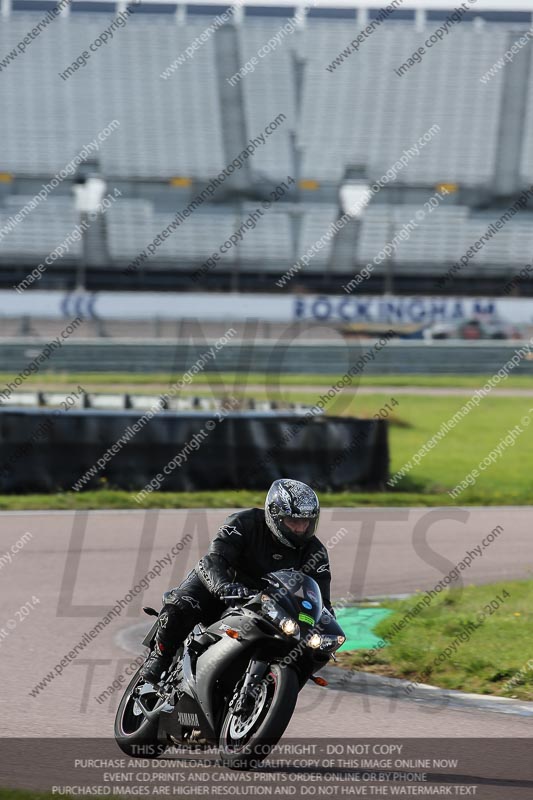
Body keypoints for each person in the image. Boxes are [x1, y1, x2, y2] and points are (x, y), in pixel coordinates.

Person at [141, 478, 335, 683]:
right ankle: (160, 657)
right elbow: (215, 559)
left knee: (306, 648)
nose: (299, 529)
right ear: (275, 516)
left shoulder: (315, 552)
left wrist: (326, 625)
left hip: (265, 606)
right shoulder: (243, 523)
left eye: (305, 522)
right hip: (221, 588)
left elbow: (321, 599)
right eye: (293, 521)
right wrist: (224, 586)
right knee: (181, 607)